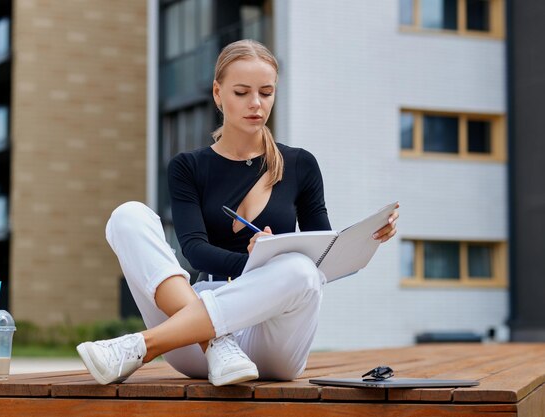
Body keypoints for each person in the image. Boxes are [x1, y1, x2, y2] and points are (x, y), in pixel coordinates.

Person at [77, 39, 399, 386]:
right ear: (218, 93)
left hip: (272, 338)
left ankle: (141, 345)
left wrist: (363, 241)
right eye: (242, 92)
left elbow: (320, 253)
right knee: (128, 216)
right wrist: (256, 261)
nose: (256, 104)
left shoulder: (300, 165)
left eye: (266, 92)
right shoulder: (188, 167)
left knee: (301, 270)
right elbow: (194, 250)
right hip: (197, 338)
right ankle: (216, 342)